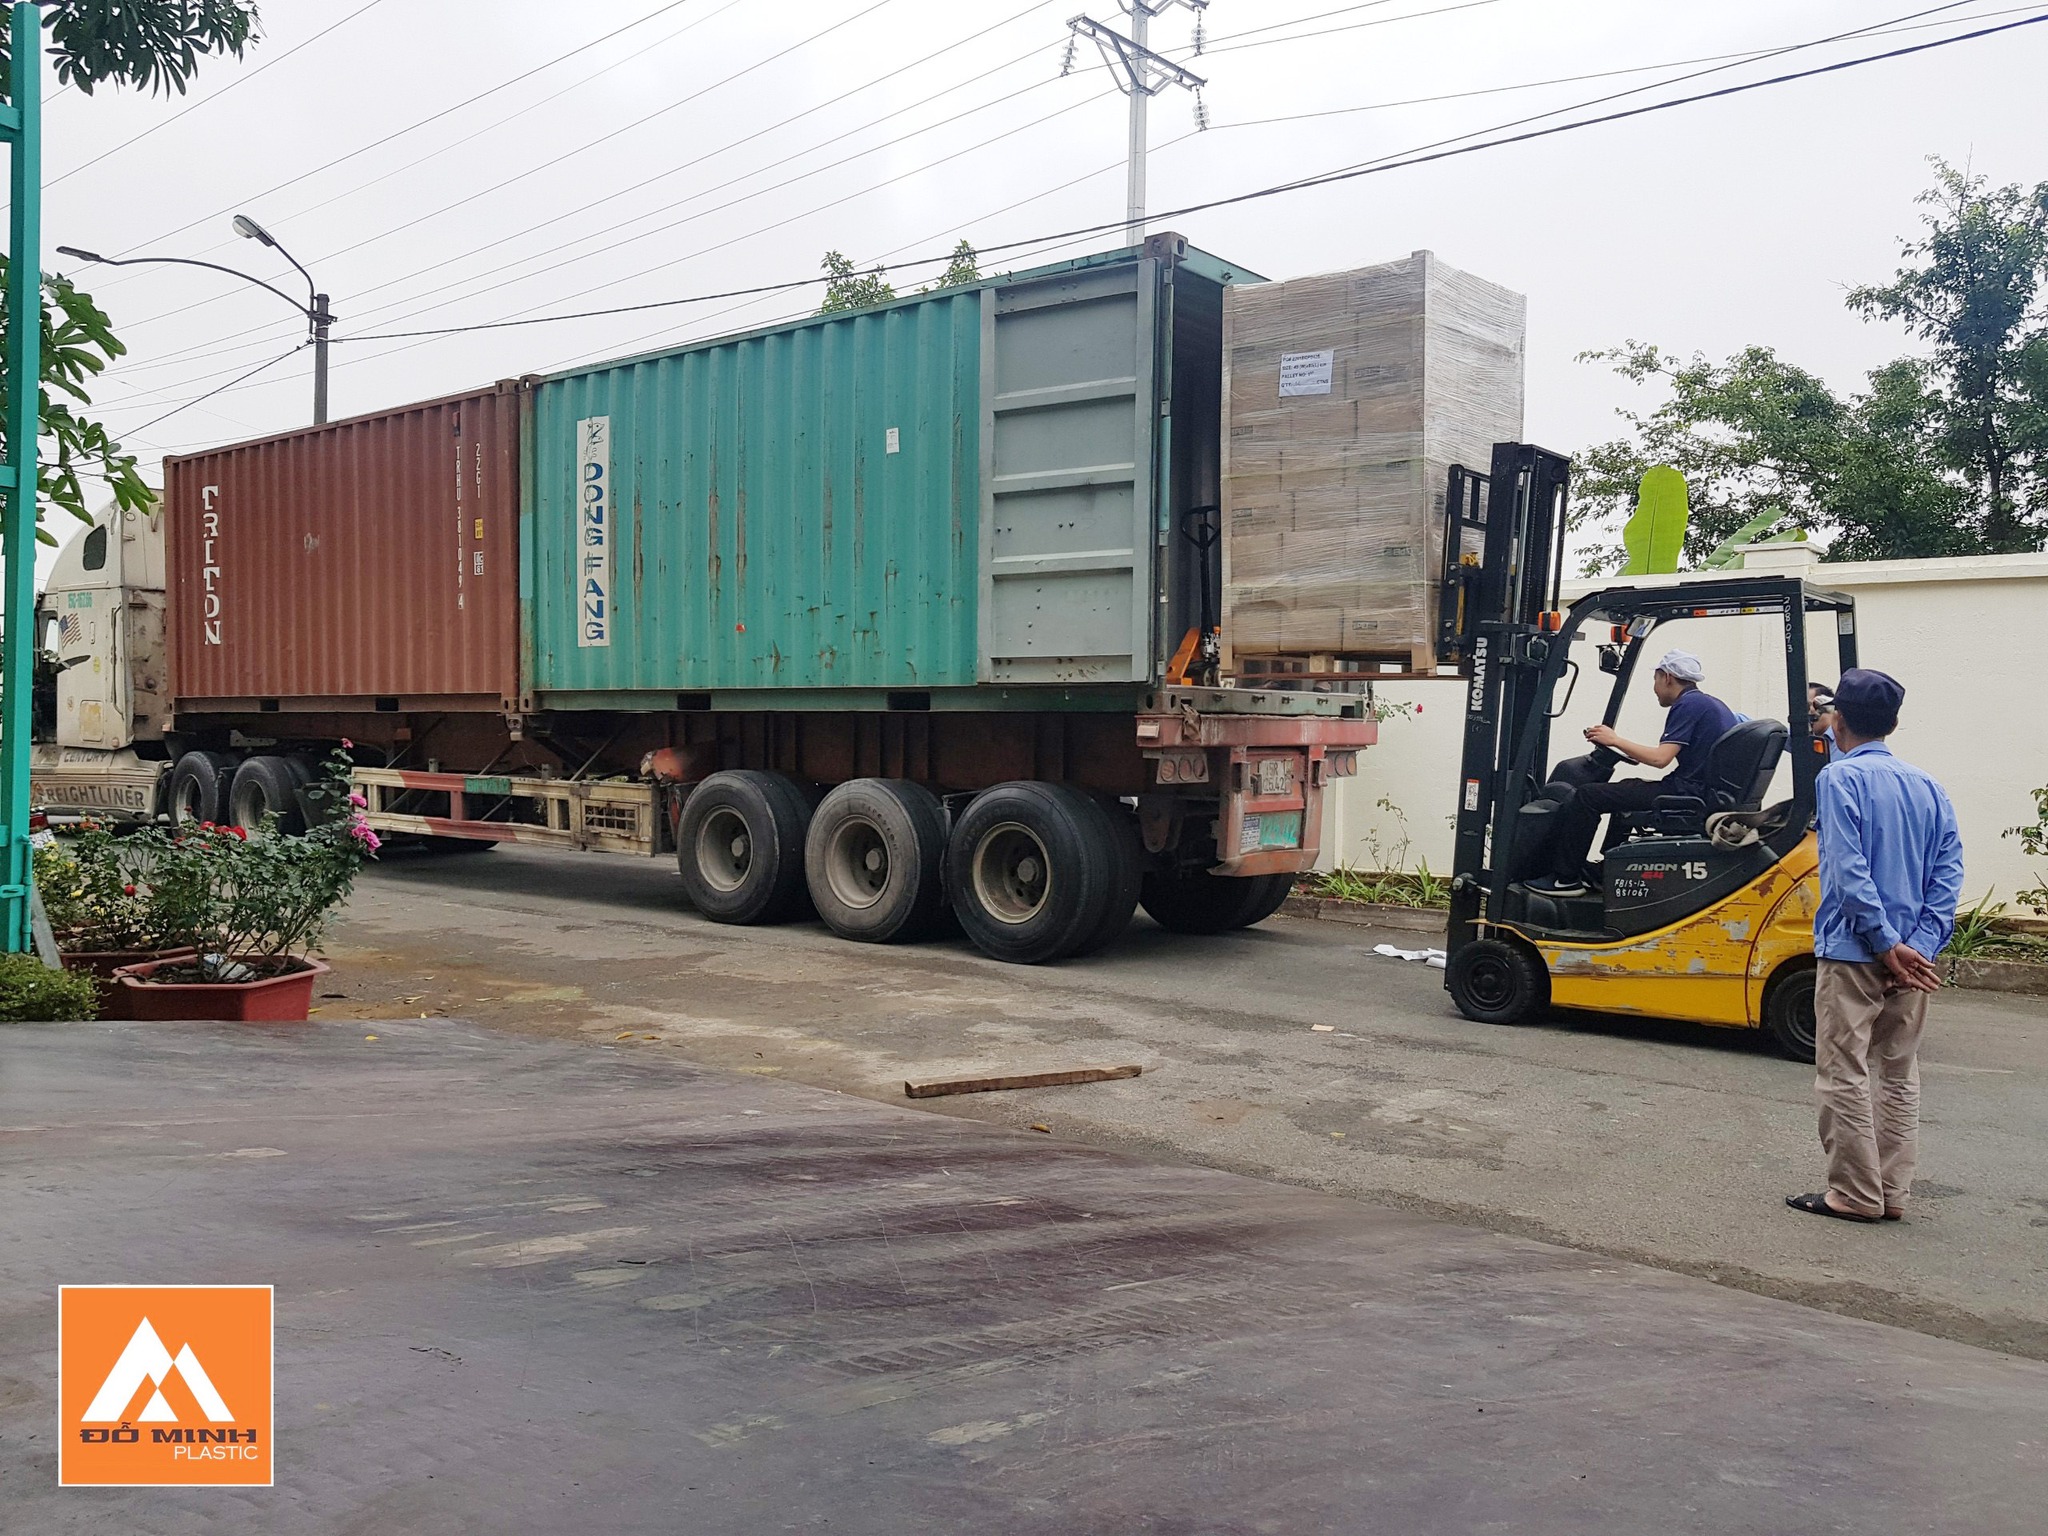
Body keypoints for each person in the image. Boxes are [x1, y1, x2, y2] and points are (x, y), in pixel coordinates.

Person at [1786, 668, 1963, 1224]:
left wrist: (1885, 944)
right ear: (1893, 723)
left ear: (1837, 720)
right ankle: (1891, 1192)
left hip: (1854, 950)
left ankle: (1853, 1194)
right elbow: (1948, 874)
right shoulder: (1928, 786)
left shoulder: (1839, 779)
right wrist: (1919, 946)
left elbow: (1846, 870)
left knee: (1843, 1070)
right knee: (1898, 1073)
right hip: (1914, 957)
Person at [1532, 649, 1736, 894]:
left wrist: (1615, 740)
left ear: (1667, 677)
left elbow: (1660, 758)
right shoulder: (1710, 704)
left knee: (1587, 796)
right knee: (1625, 789)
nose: (1655, 688)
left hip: (1688, 793)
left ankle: (1564, 879)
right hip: (1698, 790)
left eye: (1655, 679)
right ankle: (1605, 872)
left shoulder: (1688, 704)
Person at [1809, 681, 1841, 762]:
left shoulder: (1845, 737)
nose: (1809, 712)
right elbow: (1780, 732)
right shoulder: (1803, 738)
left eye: (1811, 705)